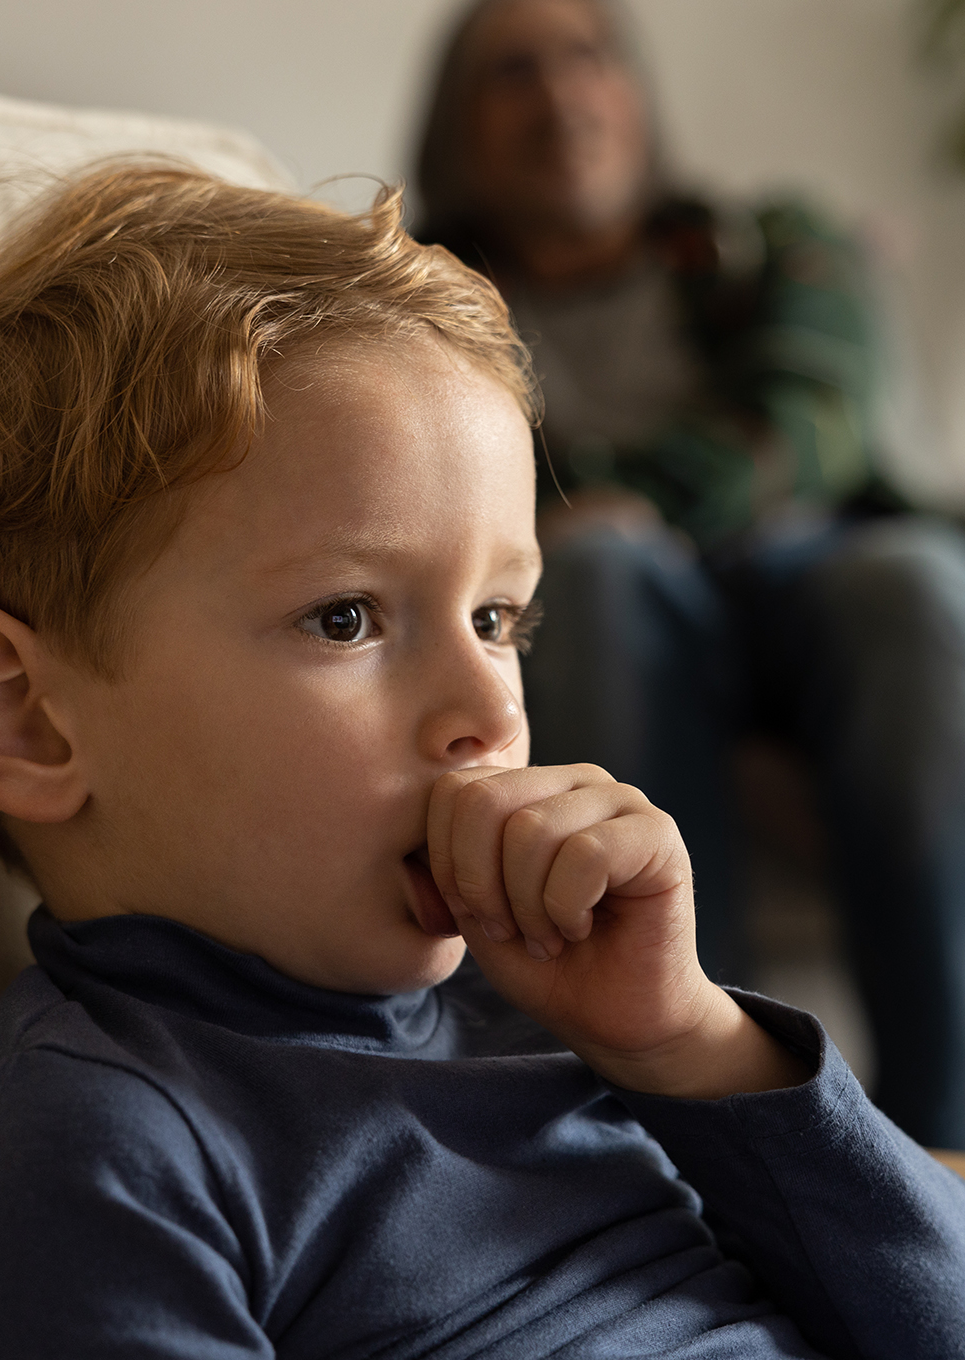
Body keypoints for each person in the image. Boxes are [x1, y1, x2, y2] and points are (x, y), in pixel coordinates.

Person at [0, 162, 965, 1360]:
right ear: (23, 719)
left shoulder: (549, 1004)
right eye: (346, 618)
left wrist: (687, 1041)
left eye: (498, 620)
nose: (487, 705)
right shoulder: (96, 1143)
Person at [413, 0, 965, 1149]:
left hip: (812, 574)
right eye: (513, 71)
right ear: (453, 127)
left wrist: (642, 496)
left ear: (636, 98)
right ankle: (713, 1111)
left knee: (910, 578)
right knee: (605, 575)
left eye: (588, 57)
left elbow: (813, 423)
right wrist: (607, 522)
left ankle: (947, 1124)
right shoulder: (420, 300)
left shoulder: (776, 243)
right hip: (601, 602)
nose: (562, 96)